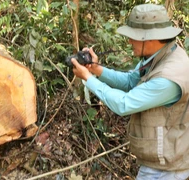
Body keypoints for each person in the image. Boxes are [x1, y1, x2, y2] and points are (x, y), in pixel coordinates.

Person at [71, 4, 189, 180]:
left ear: (149, 39)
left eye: (133, 37)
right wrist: (96, 70)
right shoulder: (160, 55)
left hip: (167, 169)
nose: (129, 42)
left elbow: (124, 104)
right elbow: (130, 81)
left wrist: (88, 79)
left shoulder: (168, 78)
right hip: (160, 161)